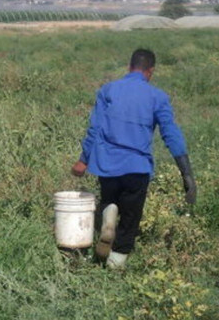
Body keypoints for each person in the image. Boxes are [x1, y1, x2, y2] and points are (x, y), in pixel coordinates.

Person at [71, 49, 197, 269]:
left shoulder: (108, 90)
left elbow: (95, 129)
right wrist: (186, 172)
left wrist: (83, 160)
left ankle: (109, 211)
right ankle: (115, 264)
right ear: (150, 72)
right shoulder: (158, 97)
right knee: (130, 218)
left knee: (110, 196)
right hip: (136, 167)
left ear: (129, 67)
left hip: (106, 164)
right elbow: (171, 134)